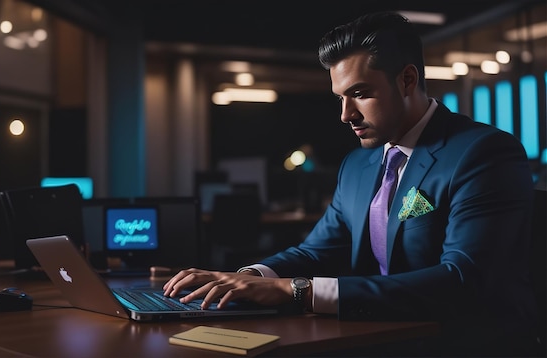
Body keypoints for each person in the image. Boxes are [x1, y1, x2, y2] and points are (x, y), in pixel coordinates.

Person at [164, 11, 539, 356]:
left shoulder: (484, 153)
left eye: (360, 93)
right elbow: (317, 252)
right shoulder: (357, 164)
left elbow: (462, 280)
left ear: (407, 80)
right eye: (340, 98)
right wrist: (246, 278)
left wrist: (299, 291)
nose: (346, 115)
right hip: (377, 338)